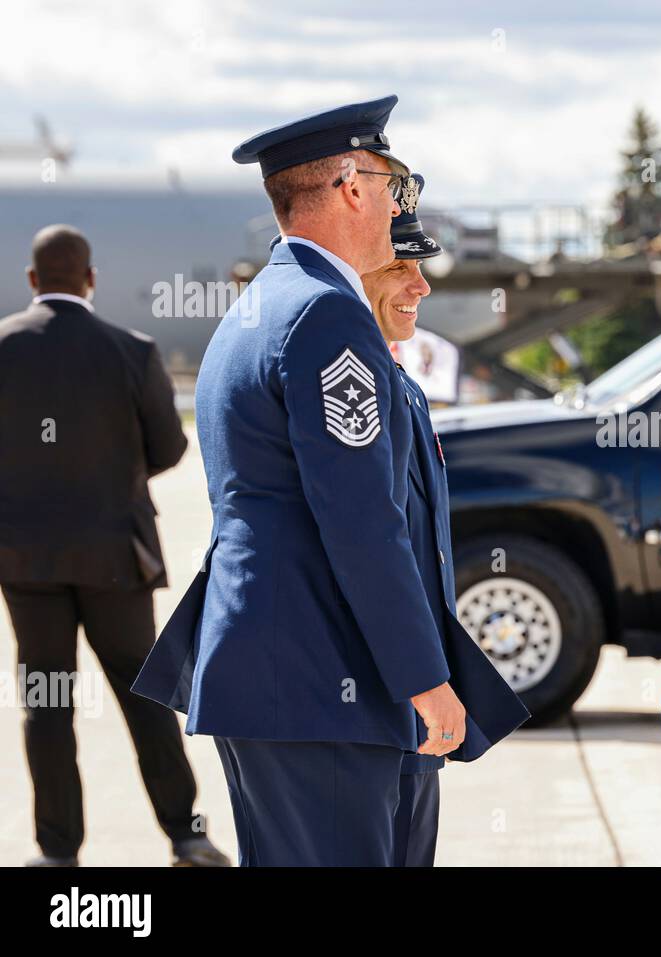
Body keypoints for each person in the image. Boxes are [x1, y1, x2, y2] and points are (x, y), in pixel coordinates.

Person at [133, 97, 469, 866]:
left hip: (294, 680)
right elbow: (359, 521)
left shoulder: (263, 307)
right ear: (353, 186)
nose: (397, 208)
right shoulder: (326, 315)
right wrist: (425, 676)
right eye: (394, 187)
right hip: (321, 681)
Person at [0, 225, 228, 867]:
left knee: (46, 701)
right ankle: (187, 834)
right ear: (91, 281)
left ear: (32, 281)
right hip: (115, 559)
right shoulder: (132, 349)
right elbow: (171, 447)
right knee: (144, 698)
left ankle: (56, 852)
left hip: (25, 561)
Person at [358, 173, 527, 866]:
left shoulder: (398, 382)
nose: (421, 286)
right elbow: (368, 542)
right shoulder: (358, 382)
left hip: (406, 702)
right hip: (375, 696)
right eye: (400, 266)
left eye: (421, 267)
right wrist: (426, 682)